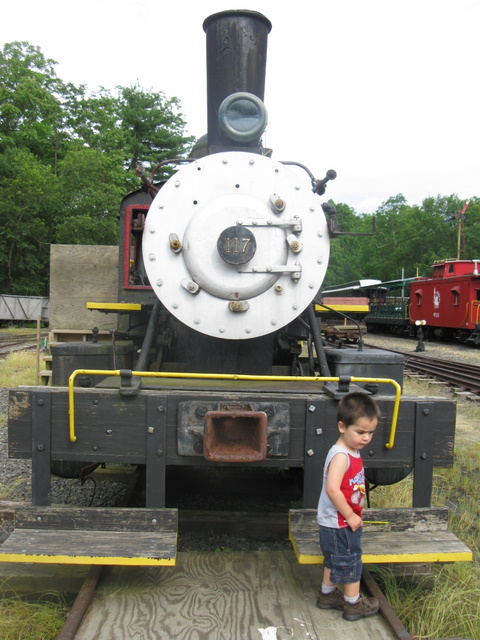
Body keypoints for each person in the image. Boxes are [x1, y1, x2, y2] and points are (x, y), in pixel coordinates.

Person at [316, 391, 381, 622]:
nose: (366, 438)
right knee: (351, 561)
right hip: (340, 523)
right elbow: (333, 490)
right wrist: (350, 516)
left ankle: (327, 595)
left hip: (338, 522)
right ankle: (353, 604)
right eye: (361, 432)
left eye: (370, 432)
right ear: (342, 427)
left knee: (334, 559)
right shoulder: (341, 456)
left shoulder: (352, 450)